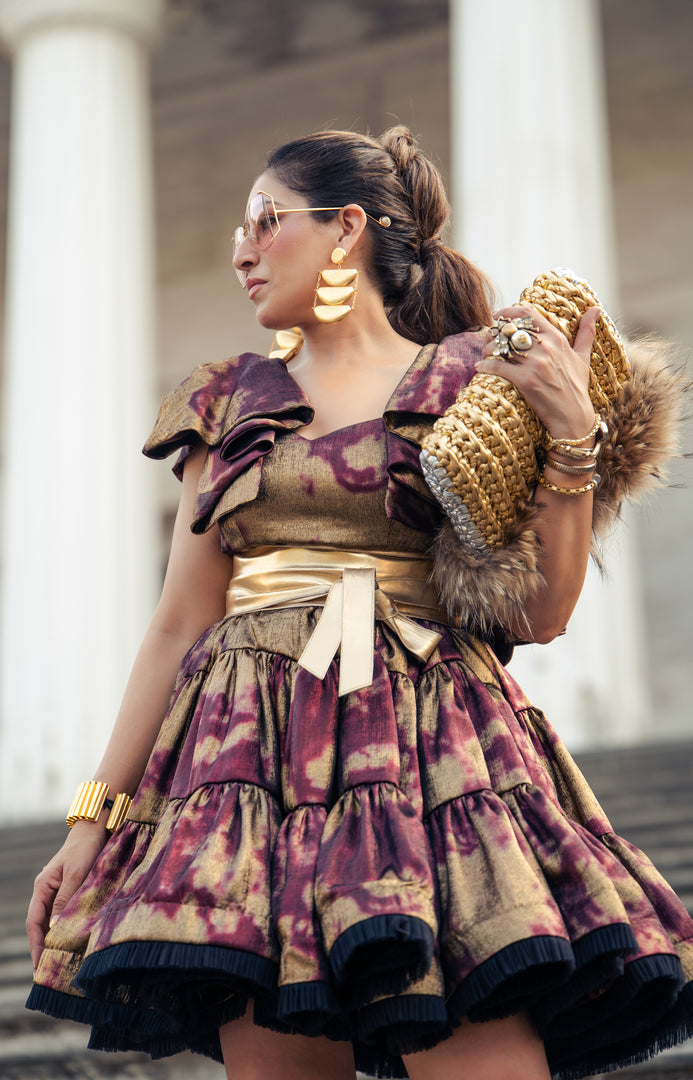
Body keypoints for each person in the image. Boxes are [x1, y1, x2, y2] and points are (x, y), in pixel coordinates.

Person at [26, 126, 693, 1080]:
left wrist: (573, 436)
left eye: (265, 220)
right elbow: (180, 621)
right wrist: (94, 819)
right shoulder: (224, 399)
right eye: (236, 227)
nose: (240, 247)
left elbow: (540, 616)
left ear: (344, 228)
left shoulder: (475, 385)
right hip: (246, 771)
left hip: (438, 757)